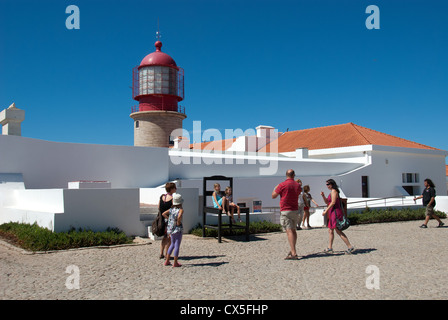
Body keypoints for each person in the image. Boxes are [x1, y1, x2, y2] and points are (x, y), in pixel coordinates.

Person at [272, 169, 302, 260]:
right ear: (294, 175)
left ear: (286, 175)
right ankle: (293, 249)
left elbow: (273, 196)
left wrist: (275, 188)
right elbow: (298, 192)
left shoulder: (282, 185)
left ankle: (293, 253)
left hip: (285, 209)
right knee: (293, 230)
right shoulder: (298, 185)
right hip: (295, 209)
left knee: (289, 231)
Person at [320, 179, 355, 254]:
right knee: (330, 230)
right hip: (332, 212)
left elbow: (333, 203)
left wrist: (326, 211)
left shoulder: (334, 191)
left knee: (338, 231)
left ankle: (349, 246)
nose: (327, 186)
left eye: (328, 184)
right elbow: (327, 202)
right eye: (326, 184)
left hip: (335, 213)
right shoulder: (332, 192)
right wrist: (323, 196)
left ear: (332, 184)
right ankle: (330, 247)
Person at [162, 193, 184, 268]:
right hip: (177, 229)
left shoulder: (171, 210)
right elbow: (180, 215)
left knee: (172, 244)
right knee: (177, 245)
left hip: (171, 228)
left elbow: (163, 213)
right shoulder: (180, 210)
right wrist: (178, 221)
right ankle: (175, 262)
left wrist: (169, 220)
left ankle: (167, 260)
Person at [158, 182, 176, 259]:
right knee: (169, 238)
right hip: (169, 220)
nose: (176, 189)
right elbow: (173, 209)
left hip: (161, 219)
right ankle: (166, 254)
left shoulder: (162, 197)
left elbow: (159, 207)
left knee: (164, 237)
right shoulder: (172, 199)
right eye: (174, 188)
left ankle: (161, 253)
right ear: (171, 189)